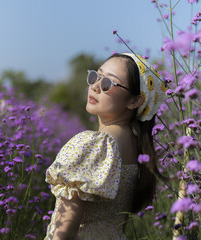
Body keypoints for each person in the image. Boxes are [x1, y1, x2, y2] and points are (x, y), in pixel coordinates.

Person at [44, 52, 167, 240]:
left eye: (107, 84)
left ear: (134, 101)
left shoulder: (97, 144)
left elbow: (67, 223)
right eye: (95, 76)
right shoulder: (136, 145)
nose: (94, 87)